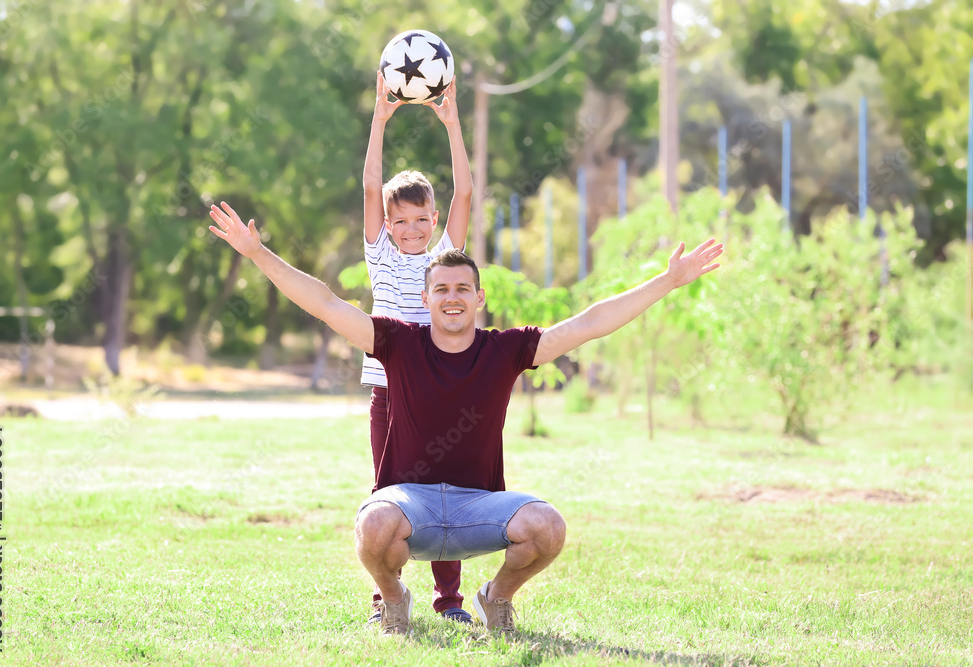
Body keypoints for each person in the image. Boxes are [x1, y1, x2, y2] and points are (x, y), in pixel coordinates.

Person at [207, 201, 723, 636]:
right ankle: (394, 601)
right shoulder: (397, 343)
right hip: (412, 507)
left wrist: (668, 282)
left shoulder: (506, 350)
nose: (452, 298)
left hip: (480, 507)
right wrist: (258, 254)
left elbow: (589, 324)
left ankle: (494, 598)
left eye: (462, 290)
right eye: (442, 290)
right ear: (427, 299)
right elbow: (324, 303)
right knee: (372, 523)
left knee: (547, 526)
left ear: (479, 298)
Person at [360, 71, 473, 624]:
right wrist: (379, 120)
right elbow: (369, 185)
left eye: (420, 219)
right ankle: (387, 596)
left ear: (434, 221)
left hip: (435, 395)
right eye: (399, 220)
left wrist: (452, 124)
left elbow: (466, 193)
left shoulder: (442, 262)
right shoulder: (379, 255)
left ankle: (449, 600)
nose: (409, 228)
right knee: (389, 494)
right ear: (387, 223)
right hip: (387, 395)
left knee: (443, 492)